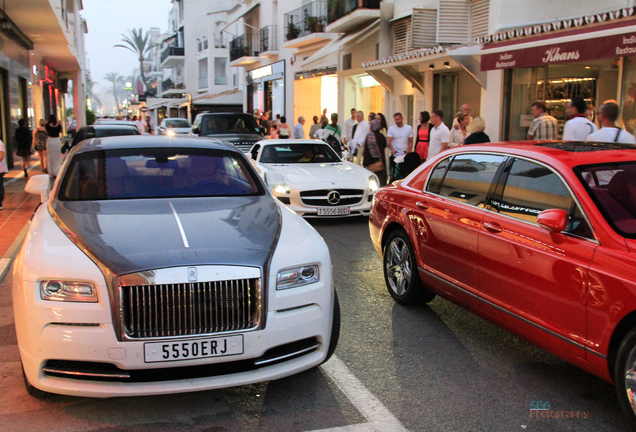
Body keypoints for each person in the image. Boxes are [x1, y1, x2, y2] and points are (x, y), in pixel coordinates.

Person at [363, 119, 387, 186]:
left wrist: (365, 163)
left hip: (370, 163)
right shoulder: (382, 137)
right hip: (380, 163)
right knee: (381, 183)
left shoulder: (369, 137)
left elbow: (366, 151)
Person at [0, 137, 7, 210]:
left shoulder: (0, 143)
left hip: (0, 169)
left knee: (0, 186)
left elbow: (1, 156)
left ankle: (0, 203)